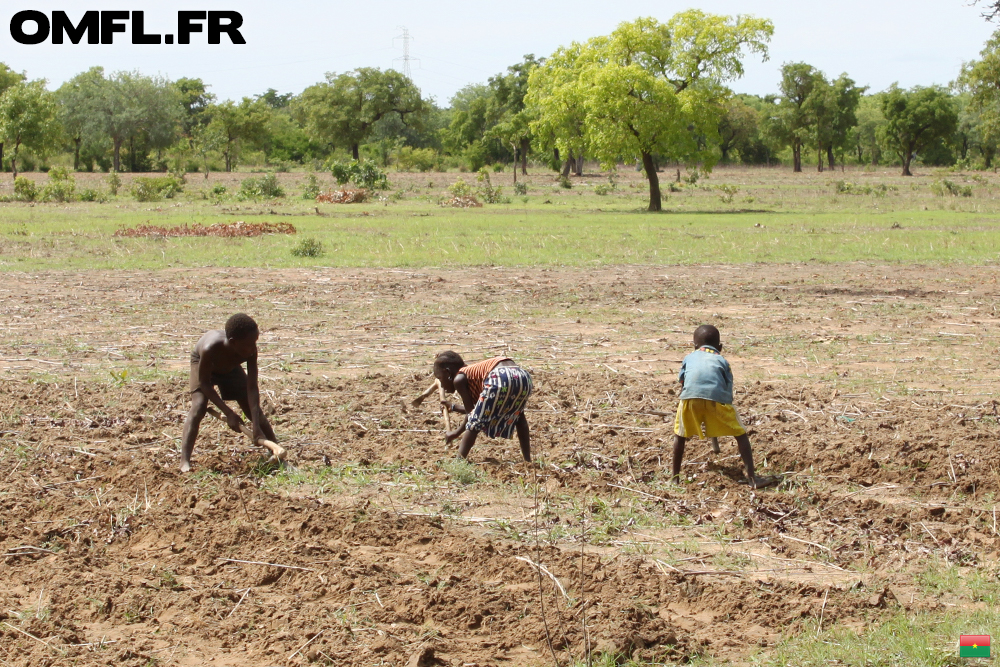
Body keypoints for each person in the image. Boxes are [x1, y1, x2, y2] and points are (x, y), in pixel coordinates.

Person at [670, 324, 776, 489]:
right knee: (740, 434)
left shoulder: (689, 357)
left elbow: (683, 382)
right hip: (717, 399)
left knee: (680, 435)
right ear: (720, 347)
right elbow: (727, 386)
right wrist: (725, 408)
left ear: (695, 346)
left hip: (689, 399)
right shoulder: (721, 360)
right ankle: (753, 478)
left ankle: (675, 478)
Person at [179, 313, 279, 472]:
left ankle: (275, 449)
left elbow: (252, 387)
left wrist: (255, 423)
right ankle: (184, 461)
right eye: (250, 344)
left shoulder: (249, 349)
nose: (254, 348)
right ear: (233, 343)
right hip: (205, 367)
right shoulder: (210, 349)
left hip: (230, 369)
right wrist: (229, 413)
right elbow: (205, 384)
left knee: (254, 411)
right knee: (199, 406)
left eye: (256, 342)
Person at [432, 351, 532, 462]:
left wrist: (455, 433)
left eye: (440, 378)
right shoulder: (473, 374)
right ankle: (527, 460)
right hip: (522, 376)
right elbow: (479, 409)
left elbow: (471, 415)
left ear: (448, 373)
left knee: (474, 424)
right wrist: (453, 407)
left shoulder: (459, 379)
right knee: (519, 417)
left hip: (499, 376)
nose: (441, 384)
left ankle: (459, 461)